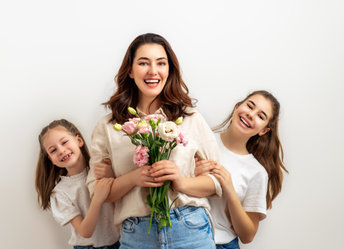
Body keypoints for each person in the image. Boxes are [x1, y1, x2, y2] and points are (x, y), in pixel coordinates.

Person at [86, 33, 222, 249]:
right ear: (130, 70)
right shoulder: (109, 126)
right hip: (136, 235)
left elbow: (217, 183)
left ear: (169, 70)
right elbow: (98, 192)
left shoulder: (189, 118)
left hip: (190, 230)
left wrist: (180, 181)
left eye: (161, 63)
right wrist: (132, 179)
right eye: (143, 63)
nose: (153, 71)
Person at [194, 90, 288, 249]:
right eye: (250, 106)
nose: (251, 114)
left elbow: (247, 235)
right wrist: (193, 173)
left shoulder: (257, 172)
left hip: (221, 244)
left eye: (261, 116)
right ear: (237, 107)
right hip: (182, 238)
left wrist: (230, 190)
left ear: (263, 130)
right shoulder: (201, 139)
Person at [35, 119, 120, 249]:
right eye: (53, 150)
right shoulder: (60, 192)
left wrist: (111, 176)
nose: (61, 150)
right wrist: (97, 199)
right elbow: (85, 232)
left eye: (64, 142)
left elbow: (121, 203)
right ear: (51, 160)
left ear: (79, 141)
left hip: (120, 242)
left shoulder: (103, 167)